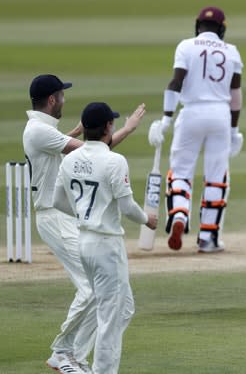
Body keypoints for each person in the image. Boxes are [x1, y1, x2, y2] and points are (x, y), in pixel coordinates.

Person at [23, 74, 145, 373]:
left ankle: (76, 354)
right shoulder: (39, 131)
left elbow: (82, 149)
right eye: (61, 95)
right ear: (52, 100)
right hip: (55, 216)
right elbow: (93, 153)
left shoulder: (42, 129)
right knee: (91, 290)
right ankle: (63, 352)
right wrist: (128, 128)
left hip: (66, 216)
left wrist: (77, 131)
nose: (64, 98)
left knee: (124, 305)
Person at [53, 102, 158, 374]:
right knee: (111, 317)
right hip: (107, 245)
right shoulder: (114, 161)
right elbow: (127, 208)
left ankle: (74, 356)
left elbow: (58, 201)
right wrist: (148, 219)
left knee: (123, 309)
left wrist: (86, 213)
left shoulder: (70, 159)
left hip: (85, 242)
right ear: (108, 127)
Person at [148, 5, 244, 253]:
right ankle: (209, 238)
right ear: (222, 29)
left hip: (191, 113)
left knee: (180, 171)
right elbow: (235, 95)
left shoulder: (186, 46)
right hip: (220, 116)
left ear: (197, 26)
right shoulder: (232, 52)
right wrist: (234, 131)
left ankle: (179, 214)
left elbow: (175, 82)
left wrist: (166, 119)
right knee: (216, 176)